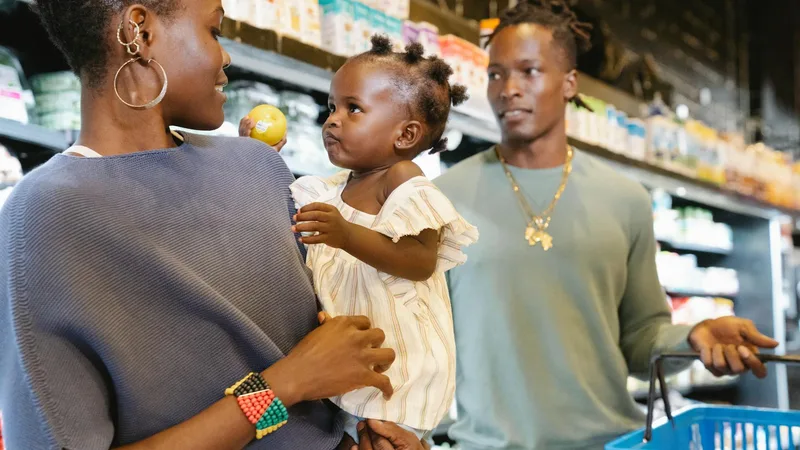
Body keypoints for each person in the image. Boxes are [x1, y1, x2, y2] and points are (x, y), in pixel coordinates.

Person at [0, 1, 428, 449]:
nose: (226, 58)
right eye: (215, 32)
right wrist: (283, 386)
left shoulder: (258, 167)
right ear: (140, 32)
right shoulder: (47, 215)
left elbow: (328, 355)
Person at [434, 1, 780, 449]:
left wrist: (693, 336)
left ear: (570, 83)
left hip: (611, 443)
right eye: (496, 73)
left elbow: (641, 339)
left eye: (530, 71)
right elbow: (425, 343)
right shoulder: (444, 199)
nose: (508, 89)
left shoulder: (625, 199)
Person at [242, 35, 478, 443]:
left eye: (354, 109)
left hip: (399, 381)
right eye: (332, 107)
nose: (332, 120)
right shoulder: (330, 190)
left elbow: (420, 259)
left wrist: (346, 235)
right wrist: (257, 157)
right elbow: (277, 217)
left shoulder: (402, 179)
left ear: (405, 136)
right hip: (346, 378)